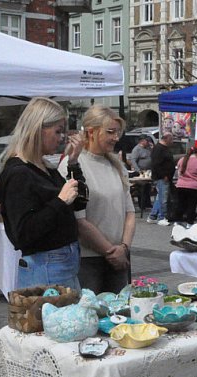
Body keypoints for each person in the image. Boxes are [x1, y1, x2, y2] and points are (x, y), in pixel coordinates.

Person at [0, 97, 86, 377]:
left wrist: (72, 165)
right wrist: (59, 200)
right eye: (58, 130)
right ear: (38, 128)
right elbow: (24, 235)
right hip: (44, 268)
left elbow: (81, 201)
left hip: (59, 265)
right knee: (45, 351)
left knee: (61, 347)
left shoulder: (40, 167)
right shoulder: (17, 173)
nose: (62, 137)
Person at [61, 104, 135, 294]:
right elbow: (80, 221)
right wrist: (111, 251)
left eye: (117, 132)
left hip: (119, 257)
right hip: (89, 260)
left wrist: (124, 247)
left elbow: (129, 212)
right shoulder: (73, 164)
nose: (116, 138)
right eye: (110, 132)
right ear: (92, 132)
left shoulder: (116, 164)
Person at [175, 146, 197, 225]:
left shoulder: (181, 160)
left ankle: (178, 221)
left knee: (180, 204)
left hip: (181, 185)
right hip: (193, 186)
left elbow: (178, 170)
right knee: (191, 205)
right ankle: (189, 223)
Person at [149, 133, 175, 226]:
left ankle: (152, 216)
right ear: (166, 139)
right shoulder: (158, 149)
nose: (172, 141)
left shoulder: (164, 148)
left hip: (165, 177)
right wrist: (164, 175)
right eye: (171, 139)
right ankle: (161, 217)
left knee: (159, 197)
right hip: (161, 178)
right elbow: (156, 164)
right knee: (163, 198)